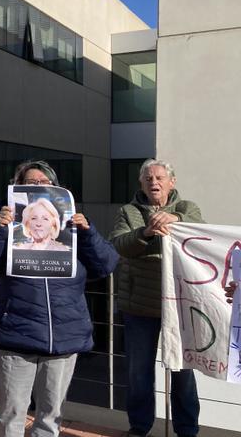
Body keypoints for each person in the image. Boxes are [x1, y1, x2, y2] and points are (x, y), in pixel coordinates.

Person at [0, 160, 118, 437]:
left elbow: (106, 265)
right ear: (18, 187)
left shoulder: (73, 225)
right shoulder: (0, 221)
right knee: (11, 415)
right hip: (15, 334)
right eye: (31, 183)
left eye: (45, 183)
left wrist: (88, 234)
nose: (39, 187)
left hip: (64, 335)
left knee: (50, 418)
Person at [109, 159, 203, 437]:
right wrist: (146, 233)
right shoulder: (128, 211)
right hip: (139, 304)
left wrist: (177, 220)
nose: (154, 182)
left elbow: (201, 233)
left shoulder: (188, 208)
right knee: (139, 372)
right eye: (148, 178)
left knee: (183, 373)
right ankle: (139, 427)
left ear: (172, 182)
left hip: (179, 305)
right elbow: (119, 245)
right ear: (141, 183)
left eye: (160, 178)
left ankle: (187, 430)